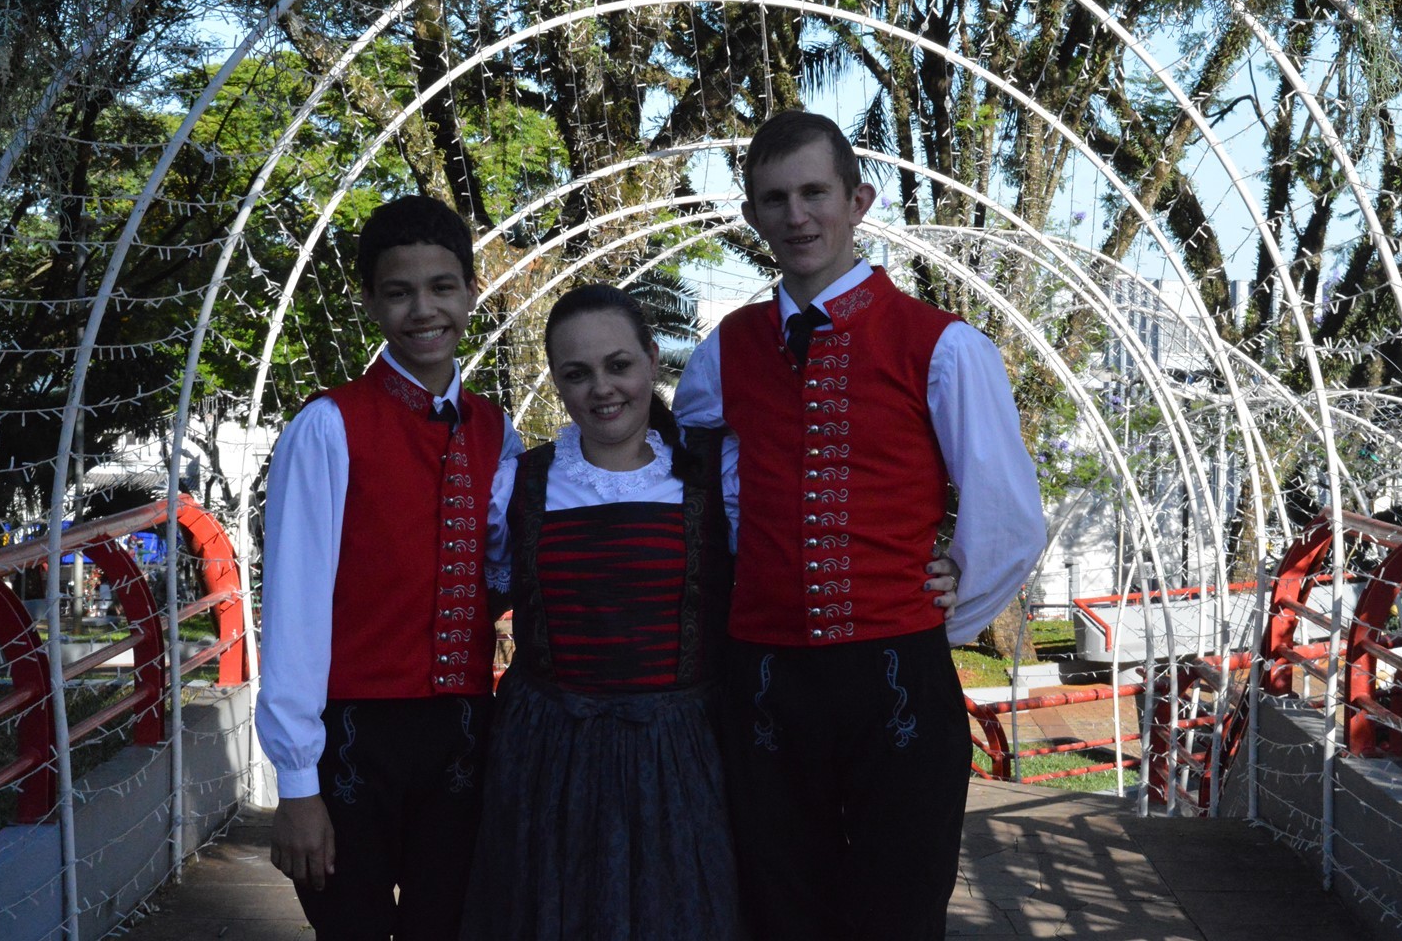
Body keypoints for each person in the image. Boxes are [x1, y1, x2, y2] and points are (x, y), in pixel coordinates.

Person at [469, 283, 961, 940]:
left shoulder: (713, 481)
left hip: (682, 758)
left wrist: (942, 571)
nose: (602, 389)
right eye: (576, 374)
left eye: (619, 365)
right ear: (556, 382)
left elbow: (801, 548)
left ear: (651, 359)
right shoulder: (521, 483)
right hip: (551, 762)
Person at [674, 110, 1048, 940]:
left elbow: (1010, 515)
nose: (796, 216)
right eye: (774, 199)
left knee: (898, 908)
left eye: (814, 193)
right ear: (752, 217)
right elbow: (699, 483)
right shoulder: (725, 350)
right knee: (780, 907)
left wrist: (951, 601)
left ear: (859, 201)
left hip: (896, 673)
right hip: (766, 671)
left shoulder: (940, 344)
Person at [255, 195, 522, 940]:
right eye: (399, 292)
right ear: (370, 299)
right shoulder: (328, 427)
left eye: (442, 287)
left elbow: (500, 572)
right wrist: (298, 787)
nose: (423, 310)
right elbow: (296, 613)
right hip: (352, 741)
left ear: (472, 291)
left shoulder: (498, 432)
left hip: (463, 737)